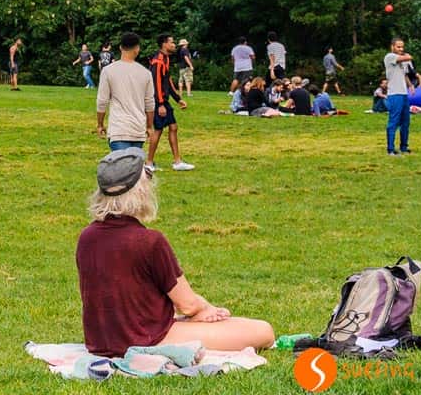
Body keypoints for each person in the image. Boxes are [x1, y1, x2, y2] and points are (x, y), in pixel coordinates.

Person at [76, 148, 275, 357]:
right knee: (263, 331)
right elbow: (187, 304)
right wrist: (206, 310)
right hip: (147, 339)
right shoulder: (148, 241)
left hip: (102, 341)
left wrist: (197, 313)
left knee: (215, 323)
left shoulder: (86, 237)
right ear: (140, 192)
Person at [96, 32, 154, 152]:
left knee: (122, 163)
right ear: (137, 49)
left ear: (120, 48)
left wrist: (100, 124)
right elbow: (150, 103)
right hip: (138, 129)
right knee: (134, 163)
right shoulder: (145, 73)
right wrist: (149, 126)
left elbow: (102, 101)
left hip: (118, 129)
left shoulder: (108, 71)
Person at [147, 34, 193, 172]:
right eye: (171, 42)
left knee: (173, 127)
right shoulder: (158, 61)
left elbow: (168, 81)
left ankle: (177, 161)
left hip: (163, 100)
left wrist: (178, 99)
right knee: (158, 130)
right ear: (164, 44)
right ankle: (149, 163)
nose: (174, 45)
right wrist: (160, 104)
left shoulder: (166, 59)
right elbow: (156, 83)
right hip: (158, 101)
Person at [383, 38, 416, 155]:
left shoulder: (402, 59)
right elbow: (407, 57)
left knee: (405, 122)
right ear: (392, 47)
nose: (401, 49)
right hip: (394, 94)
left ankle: (404, 147)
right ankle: (390, 149)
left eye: (402, 47)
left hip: (403, 93)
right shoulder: (389, 57)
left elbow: (405, 74)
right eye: (398, 47)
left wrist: (410, 85)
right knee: (394, 121)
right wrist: (407, 56)